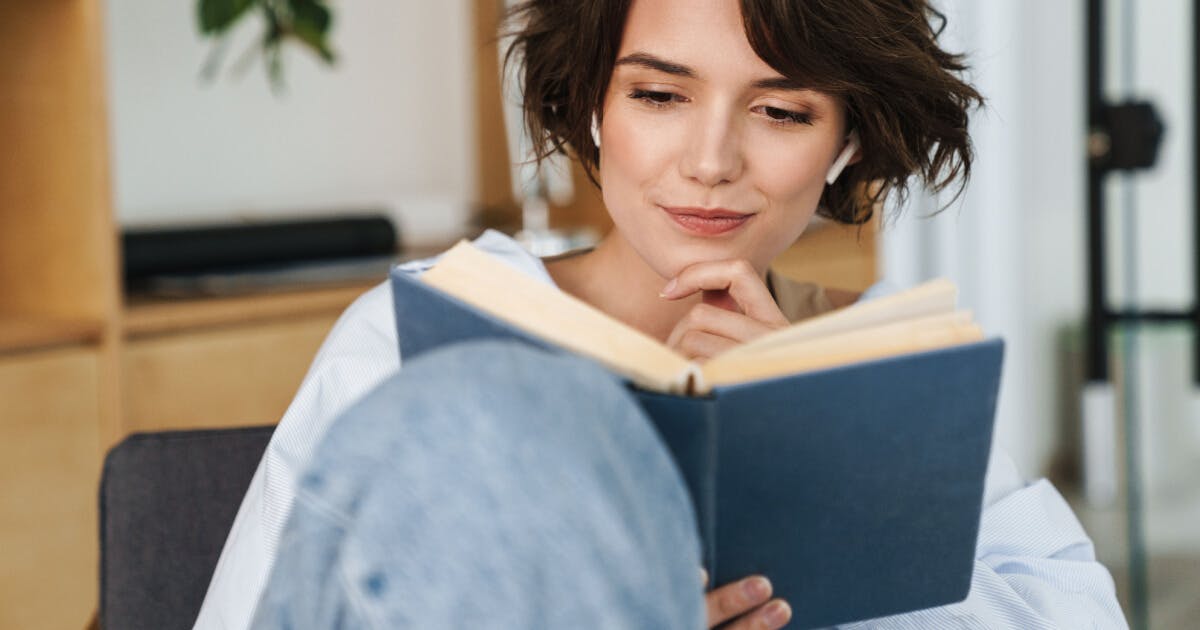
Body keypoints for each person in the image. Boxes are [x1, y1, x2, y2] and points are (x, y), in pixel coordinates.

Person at [195, 0, 1129, 628]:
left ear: (848, 141)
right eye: (658, 94)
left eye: (783, 111)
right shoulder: (410, 333)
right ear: (595, 106)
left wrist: (828, 464)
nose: (711, 160)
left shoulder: (879, 362)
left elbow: (1078, 611)